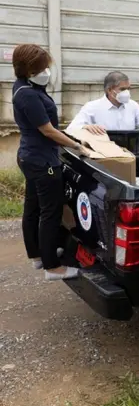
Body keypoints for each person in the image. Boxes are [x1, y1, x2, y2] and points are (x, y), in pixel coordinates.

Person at [11, 44, 90, 281]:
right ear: (29, 69)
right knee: (50, 212)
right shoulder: (28, 94)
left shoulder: (25, 87)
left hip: (30, 156)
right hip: (42, 161)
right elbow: (48, 131)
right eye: (42, 67)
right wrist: (77, 146)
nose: (47, 70)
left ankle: (37, 255)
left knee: (33, 207)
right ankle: (52, 267)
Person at [65, 71, 139, 135]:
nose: (127, 92)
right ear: (109, 90)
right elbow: (71, 129)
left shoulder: (133, 106)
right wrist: (86, 127)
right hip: (104, 155)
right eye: (123, 89)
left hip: (130, 155)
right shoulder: (92, 107)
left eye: (128, 89)